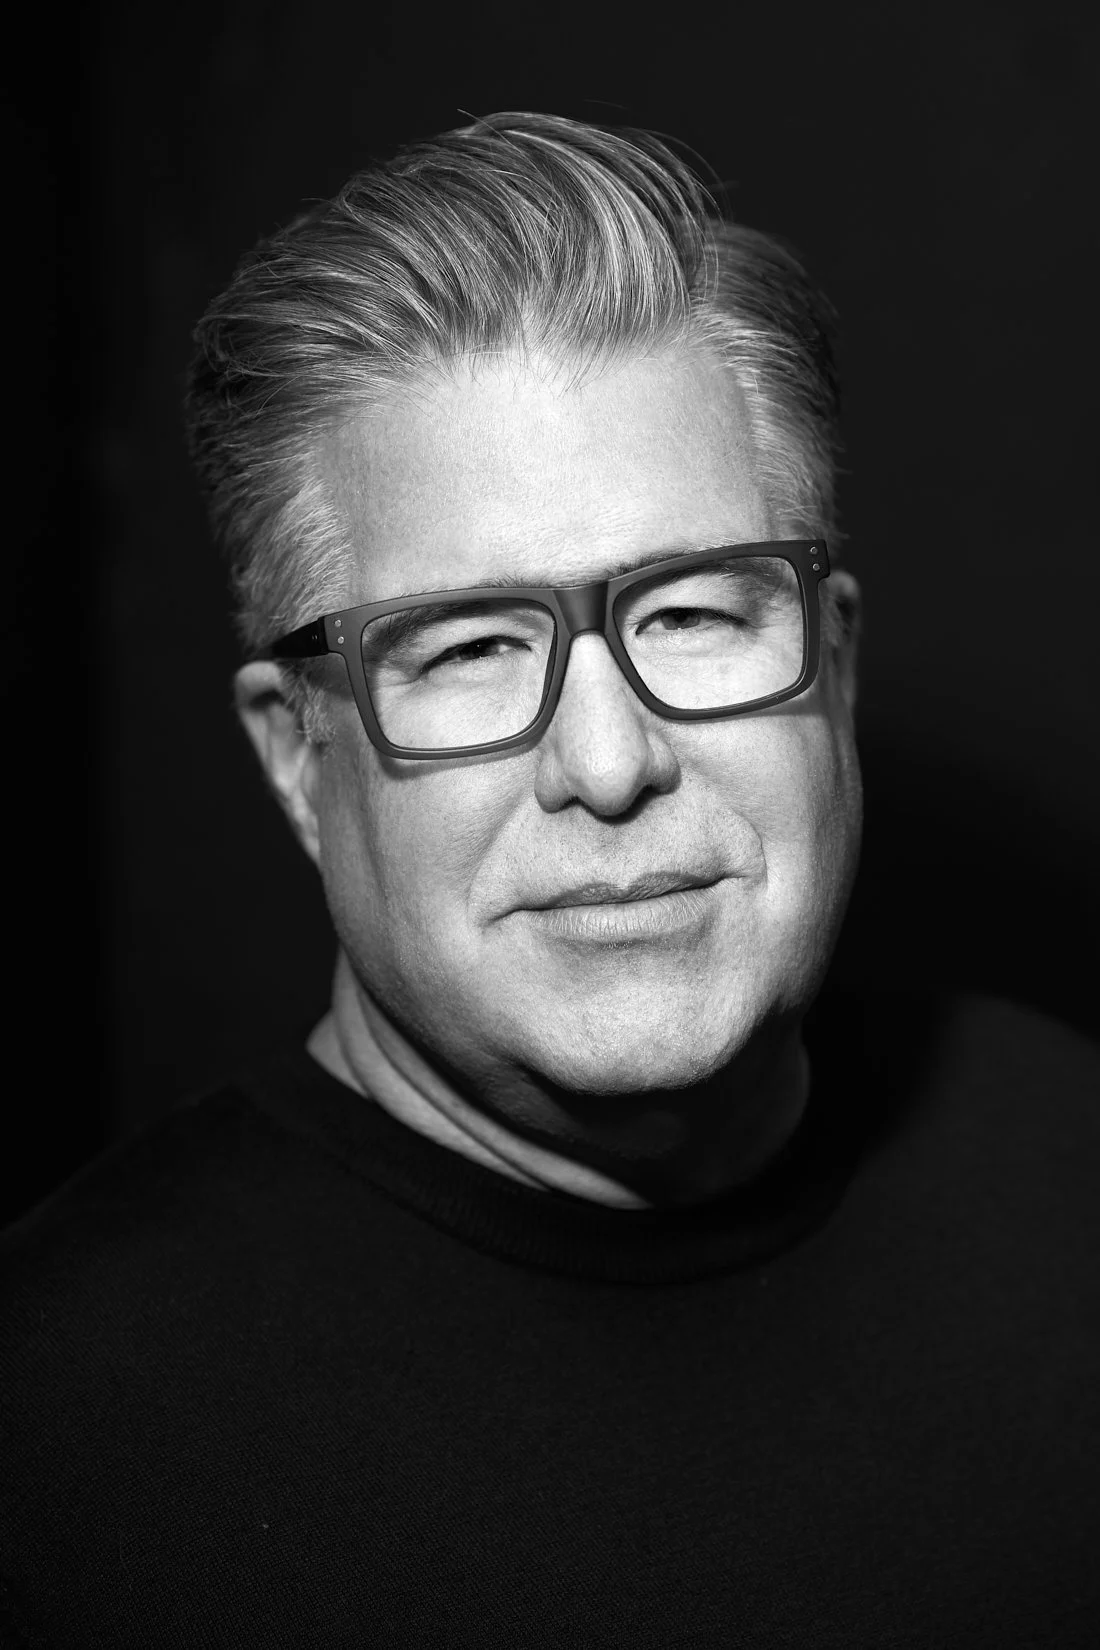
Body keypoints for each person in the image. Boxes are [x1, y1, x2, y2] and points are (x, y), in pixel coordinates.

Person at [2, 112, 1098, 1648]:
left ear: (833, 665)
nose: (607, 759)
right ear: (301, 761)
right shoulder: (53, 1440)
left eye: (697, 614)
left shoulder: (1062, 1157)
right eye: (466, 649)